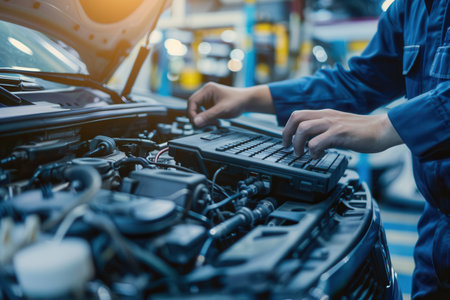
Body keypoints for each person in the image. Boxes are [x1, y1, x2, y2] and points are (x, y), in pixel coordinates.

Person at [187, 0, 449, 299]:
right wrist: (248, 97)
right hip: (436, 228)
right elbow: (358, 81)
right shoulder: (411, 7)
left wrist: (384, 127)